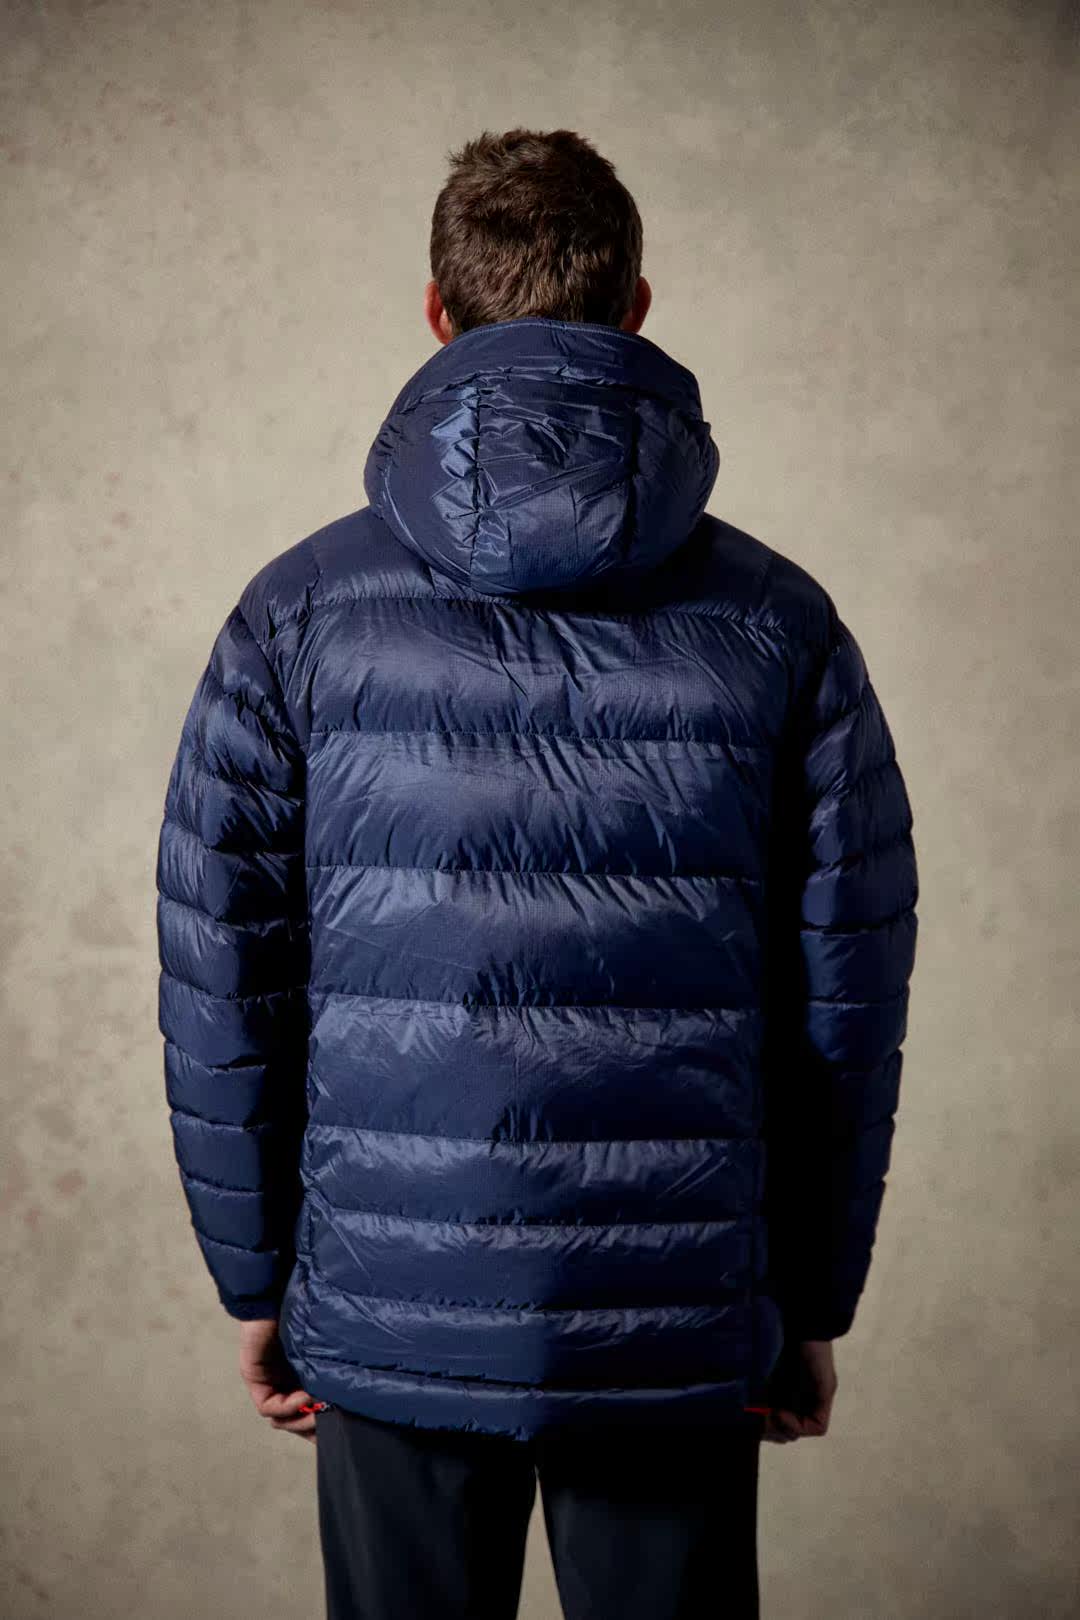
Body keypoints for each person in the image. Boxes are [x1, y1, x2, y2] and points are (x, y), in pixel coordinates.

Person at [155, 126, 919, 1619]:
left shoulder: (295, 616)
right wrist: (806, 1297)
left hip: (387, 1306)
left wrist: (259, 1279)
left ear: (437, 315)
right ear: (638, 307)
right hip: (680, 1319)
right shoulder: (783, 624)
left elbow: (223, 983)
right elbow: (849, 992)